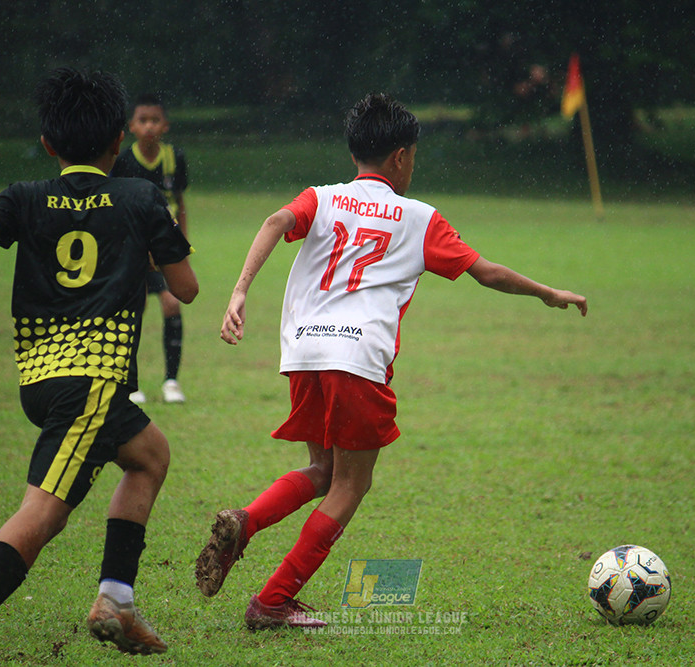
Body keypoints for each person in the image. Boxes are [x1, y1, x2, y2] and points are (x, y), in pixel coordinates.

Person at [194, 92, 587, 630]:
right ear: (401, 156)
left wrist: (239, 291)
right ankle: (272, 601)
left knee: (324, 470)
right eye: (414, 156)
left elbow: (274, 221)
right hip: (357, 357)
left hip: (304, 351)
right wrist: (546, 293)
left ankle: (245, 520)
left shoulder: (323, 198)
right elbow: (486, 272)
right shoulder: (419, 218)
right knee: (350, 485)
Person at [0, 67, 198, 666]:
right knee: (44, 510)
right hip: (91, 381)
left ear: (48, 143)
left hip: (40, 379)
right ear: (119, 139)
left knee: (150, 456)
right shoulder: (139, 197)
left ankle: (117, 600)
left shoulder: (24, 196)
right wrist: (147, 244)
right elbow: (187, 288)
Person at [110, 93, 191, 405]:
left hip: (164, 249)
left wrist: (183, 245)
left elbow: (179, 202)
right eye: (142, 120)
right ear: (131, 126)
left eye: (155, 120)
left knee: (172, 304)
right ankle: (131, 383)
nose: (149, 127)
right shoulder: (123, 161)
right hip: (132, 249)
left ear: (165, 125)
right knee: (135, 309)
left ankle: (171, 381)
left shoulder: (173, 158)